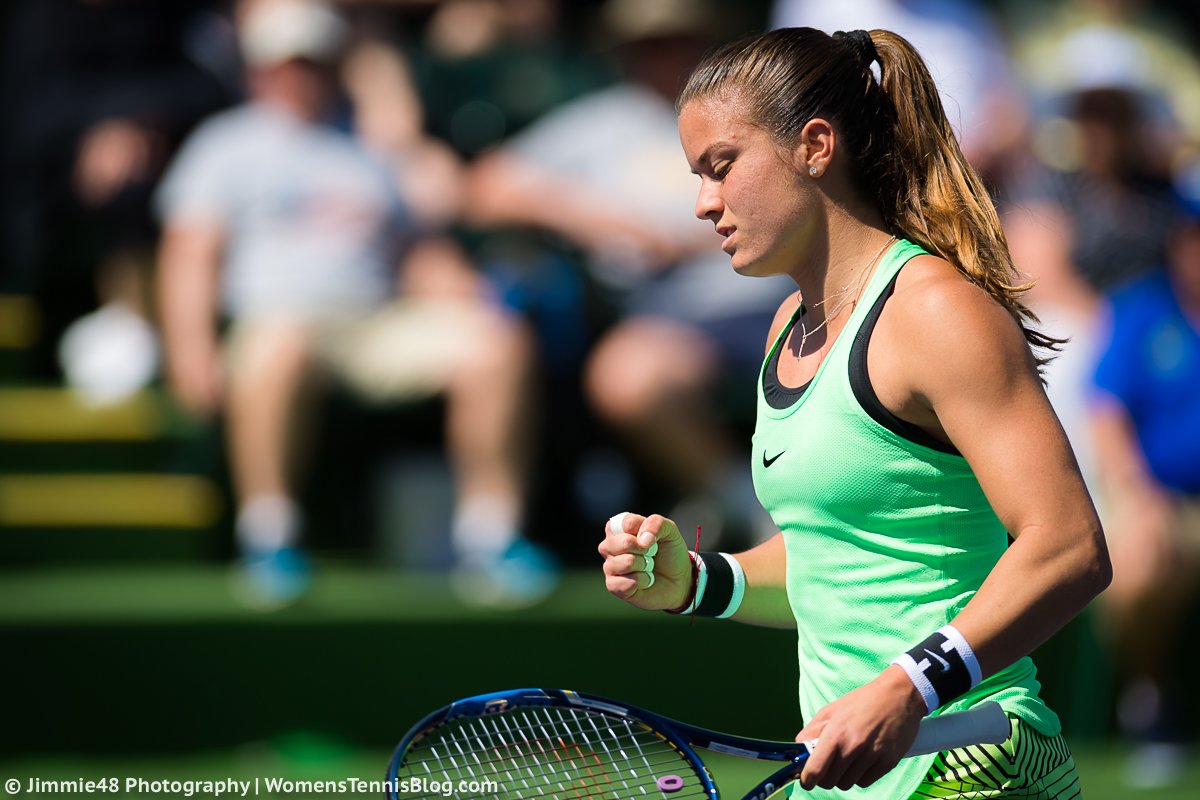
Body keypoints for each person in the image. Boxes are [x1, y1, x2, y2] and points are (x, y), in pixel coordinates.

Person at [598, 27, 1111, 799]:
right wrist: (702, 581)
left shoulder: (937, 313)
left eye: (722, 166)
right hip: (851, 772)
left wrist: (909, 687)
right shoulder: (786, 328)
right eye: (697, 175)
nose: (704, 202)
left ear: (814, 145)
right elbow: (837, 561)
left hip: (970, 759)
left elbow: (1069, 546)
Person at [155, 0, 555, 609]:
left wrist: (455, 285)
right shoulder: (224, 145)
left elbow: (415, 251)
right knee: (278, 346)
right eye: (287, 62)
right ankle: (269, 537)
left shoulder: (374, 149)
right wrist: (190, 348)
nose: (300, 74)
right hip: (281, 325)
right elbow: (190, 254)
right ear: (259, 69)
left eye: (314, 61)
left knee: (497, 342)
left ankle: (490, 538)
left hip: (377, 324)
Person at [468, 0, 793, 545]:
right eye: (649, 44)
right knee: (628, 376)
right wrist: (596, 219)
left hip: (781, 297)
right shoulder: (603, 121)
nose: (665, 56)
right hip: (676, 319)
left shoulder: (750, 110)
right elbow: (485, 186)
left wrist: (695, 239)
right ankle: (747, 508)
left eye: (678, 40)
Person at [1087, 184, 1200, 788]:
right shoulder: (1143, 309)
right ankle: (1150, 700)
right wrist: (1135, 489)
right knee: (1143, 560)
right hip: (1161, 499)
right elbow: (1106, 415)